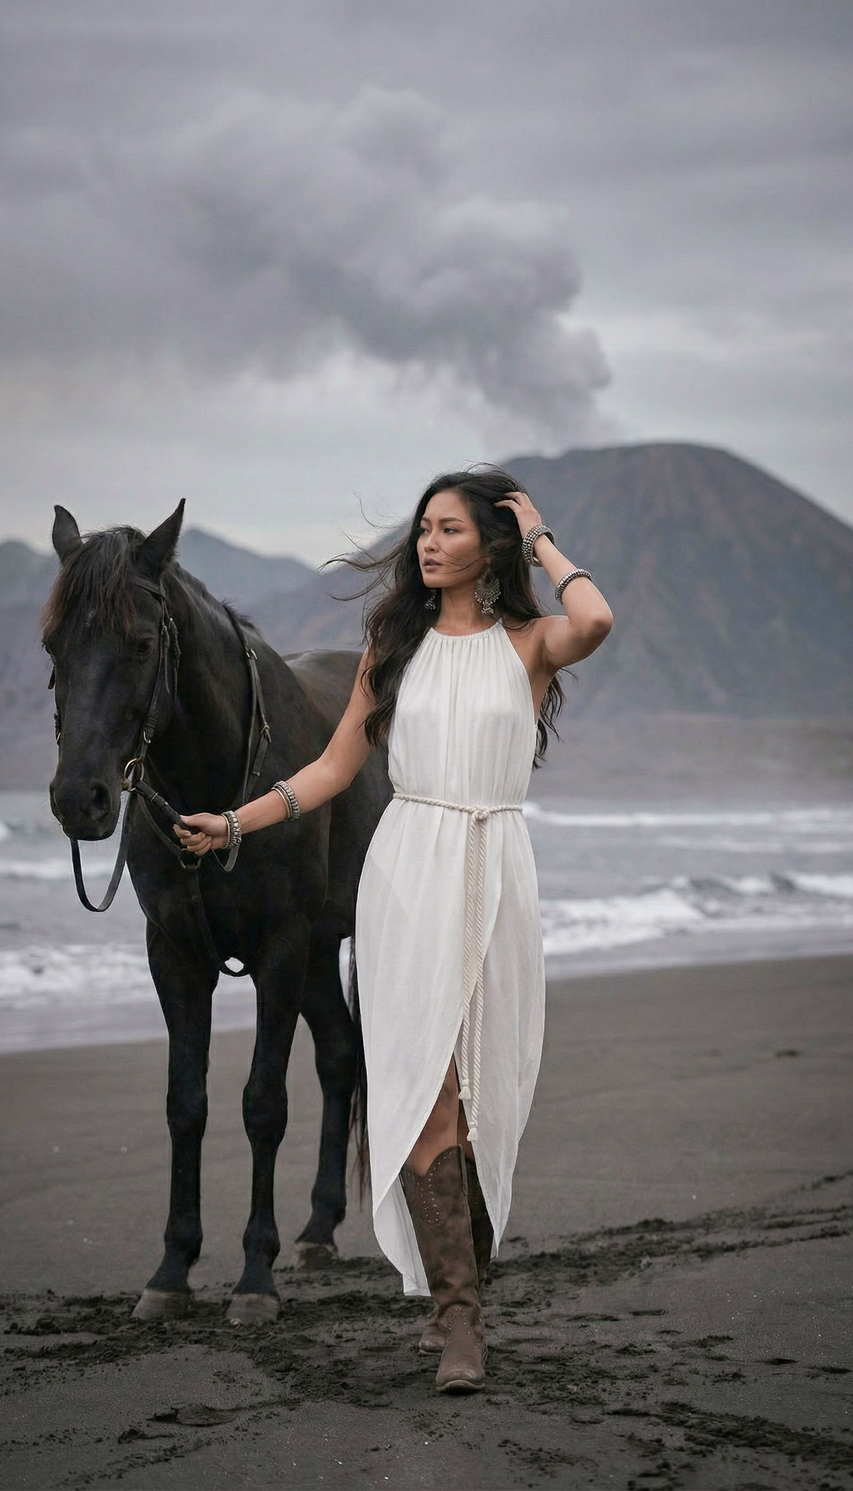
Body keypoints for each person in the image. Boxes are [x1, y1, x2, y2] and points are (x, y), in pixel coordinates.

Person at [175, 468, 613, 1393]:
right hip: (406, 876)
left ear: (489, 545)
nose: (428, 542)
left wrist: (540, 534)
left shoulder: (531, 643)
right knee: (423, 1091)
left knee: (492, 1096)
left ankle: (467, 1282)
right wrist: (236, 821)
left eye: (450, 528)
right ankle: (458, 1326)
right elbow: (333, 768)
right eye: (423, 528)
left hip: (496, 870)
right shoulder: (395, 645)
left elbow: (600, 618)